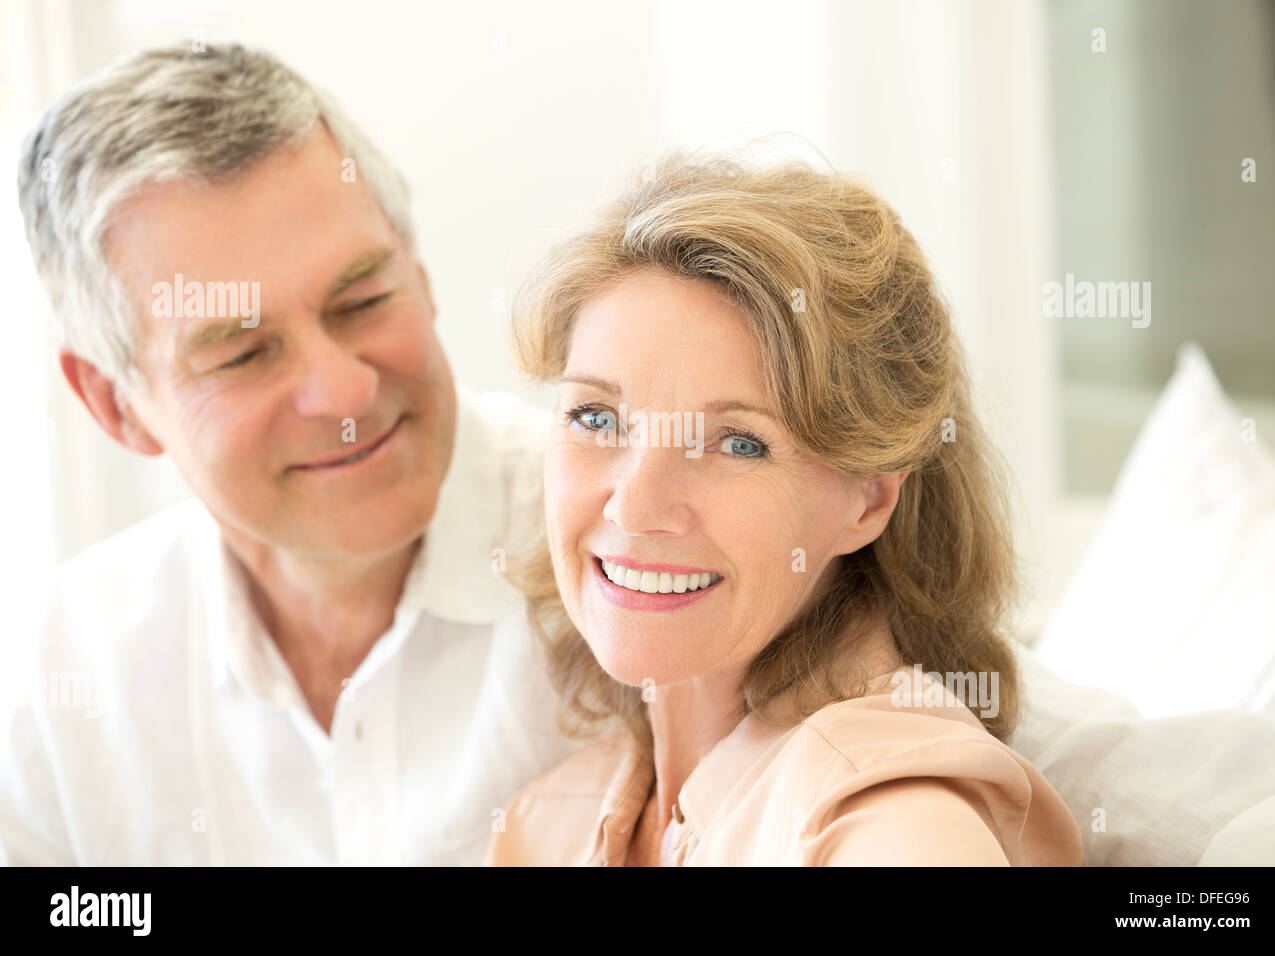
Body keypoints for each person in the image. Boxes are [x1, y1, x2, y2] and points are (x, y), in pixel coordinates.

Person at [2, 42, 581, 865]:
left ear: (420, 277)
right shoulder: (62, 675)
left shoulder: (628, 556)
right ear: (116, 407)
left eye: (363, 300)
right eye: (242, 355)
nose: (343, 394)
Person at [487, 153, 1084, 866]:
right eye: (596, 417)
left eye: (739, 443)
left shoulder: (889, 817)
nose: (637, 505)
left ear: (867, 501)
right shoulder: (547, 821)